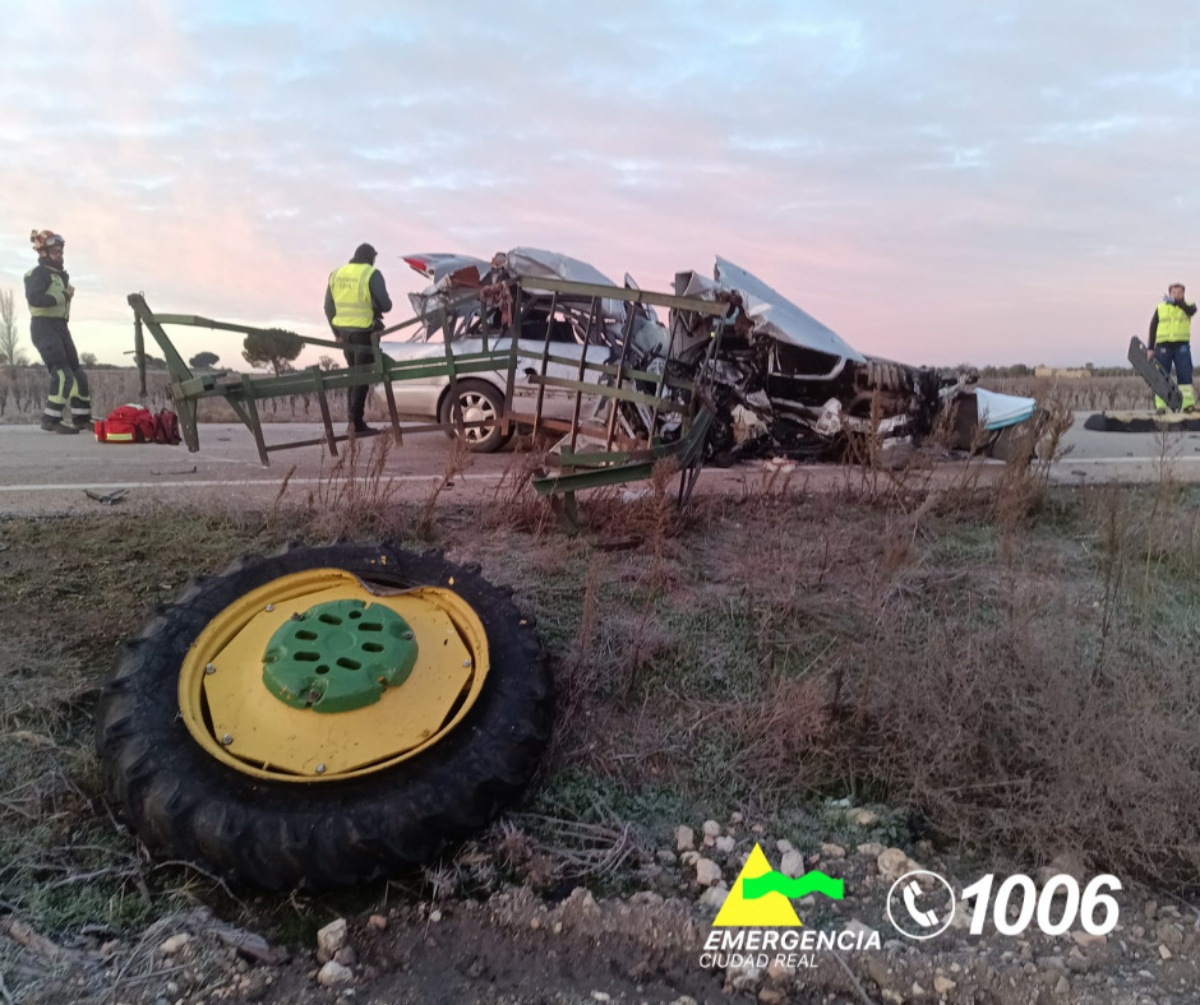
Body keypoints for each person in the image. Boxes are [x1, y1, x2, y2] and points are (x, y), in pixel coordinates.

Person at [25, 229, 92, 433]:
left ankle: (81, 418)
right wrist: (64, 296)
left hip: (61, 327)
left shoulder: (60, 275)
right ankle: (50, 420)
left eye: (60, 250)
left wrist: (64, 295)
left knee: (78, 374)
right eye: (54, 250)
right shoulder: (38, 274)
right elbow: (35, 299)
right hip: (43, 327)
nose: (59, 253)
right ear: (43, 252)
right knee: (63, 375)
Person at [324, 243, 392, 435]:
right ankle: (355, 424)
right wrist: (382, 304)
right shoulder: (371, 273)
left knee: (353, 376)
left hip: (344, 334)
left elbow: (328, 307)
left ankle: (352, 420)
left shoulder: (336, 274)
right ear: (370, 257)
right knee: (362, 377)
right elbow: (386, 305)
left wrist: (336, 333)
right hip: (363, 332)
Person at [1148, 283, 1196, 413]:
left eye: (1179, 293)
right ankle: (1161, 406)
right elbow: (1153, 327)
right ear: (1169, 294)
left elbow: (1191, 311)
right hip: (1163, 346)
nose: (1176, 295)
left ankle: (1188, 405)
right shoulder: (1161, 308)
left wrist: (1177, 302)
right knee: (1160, 375)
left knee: (1185, 375)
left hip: (1182, 346)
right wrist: (1150, 348)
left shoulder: (1188, 306)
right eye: (1173, 293)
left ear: (1183, 294)